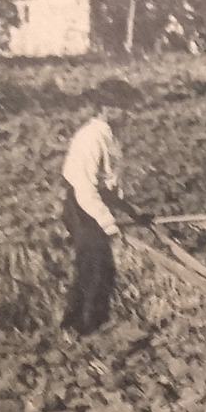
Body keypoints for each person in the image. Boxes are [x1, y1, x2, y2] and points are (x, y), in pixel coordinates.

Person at [60, 78, 149, 336]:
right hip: (81, 206)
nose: (129, 114)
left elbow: (106, 186)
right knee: (94, 266)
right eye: (125, 108)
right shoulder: (90, 138)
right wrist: (108, 223)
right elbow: (85, 188)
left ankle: (86, 324)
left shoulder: (108, 136)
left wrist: (132, 211)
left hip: (92, 202)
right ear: (107, 108)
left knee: (100, 267)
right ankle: (80, 327)